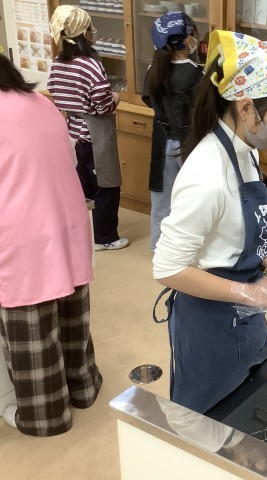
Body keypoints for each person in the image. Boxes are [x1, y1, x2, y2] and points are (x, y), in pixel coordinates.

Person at [152, 30, 267, 414]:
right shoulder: (206, 175)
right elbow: (167, 268)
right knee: (208, 422)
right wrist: (251, 294)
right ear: (246, 107)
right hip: (209, 326)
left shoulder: (247, 149)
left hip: (247, 315)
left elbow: (247, 226)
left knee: (252, 405)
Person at [0, 54, 102, 436]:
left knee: (34, 333)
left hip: (21, 236)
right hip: (67, 223)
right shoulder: (40, 102)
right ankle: (84, 388)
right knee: (72, 318)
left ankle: (46, 416)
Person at [47, 5, 129, 251]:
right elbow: (102, 106)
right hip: (94, 134)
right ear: (84, 32)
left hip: (72, 132)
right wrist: (115, 98)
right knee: (107, 185)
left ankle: (84, 234)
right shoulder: (91, 64)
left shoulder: (58, 62)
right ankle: (105, 238)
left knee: (82, 186)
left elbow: (54, 90)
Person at [142, 12, 204, 251]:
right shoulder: (198, 74)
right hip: (190, 145)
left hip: (162, 144)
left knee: (161, 200)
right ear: (185, 40)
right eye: (193, 34)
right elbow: (205, 110)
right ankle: (188, 253)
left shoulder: (154, 70)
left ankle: (159, 249)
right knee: (192, 201)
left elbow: (149, 100)